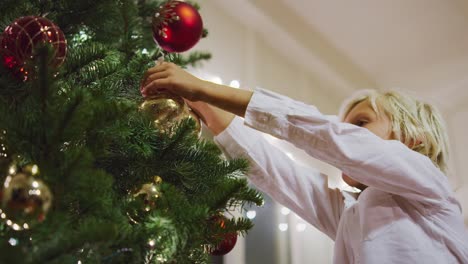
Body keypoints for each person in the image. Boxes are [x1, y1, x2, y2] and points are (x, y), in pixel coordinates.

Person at [141, 62, 468, 263]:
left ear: (413, 139)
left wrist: (205, 88)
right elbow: (278, 173)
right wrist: (202, 101)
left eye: (361, 124)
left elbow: (328, 135)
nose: (347, 133)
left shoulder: (429, 187)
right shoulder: (351, 215)